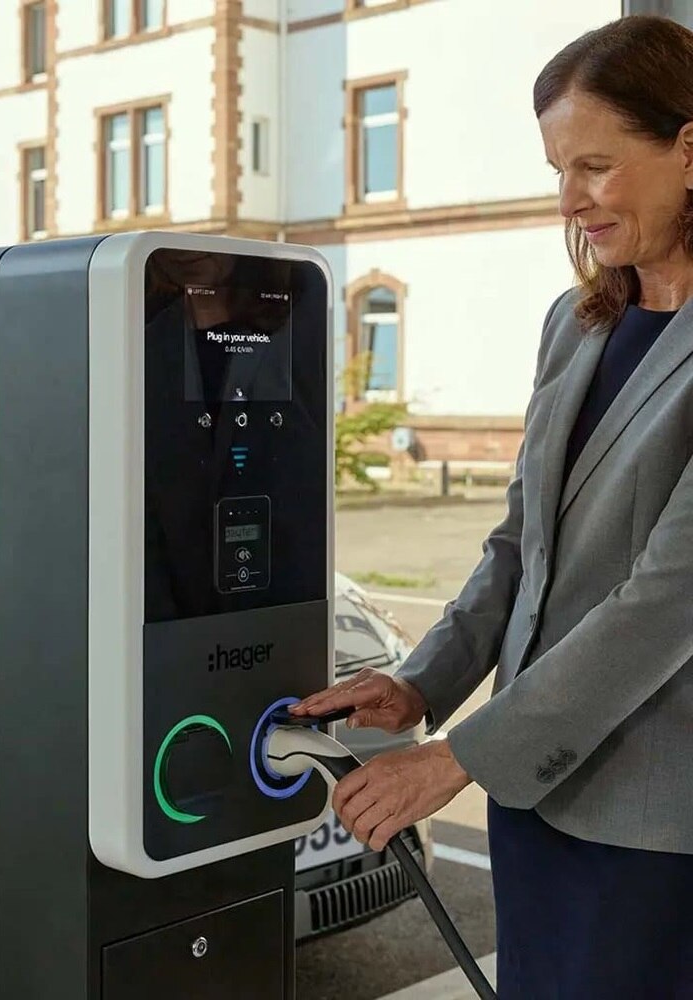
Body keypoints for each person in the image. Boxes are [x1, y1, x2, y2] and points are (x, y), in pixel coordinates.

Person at [290, 15, 693, 999]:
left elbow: (664, 602)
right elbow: (521, 538)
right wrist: (423, 684)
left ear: (688, 145)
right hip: (536, 800)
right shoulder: (578, 321)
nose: (569, 199)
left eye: (595, 165)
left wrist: (457, 759)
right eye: (558, 167)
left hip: (650, 823)